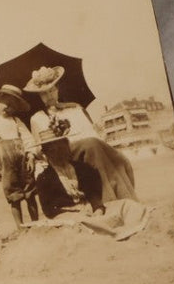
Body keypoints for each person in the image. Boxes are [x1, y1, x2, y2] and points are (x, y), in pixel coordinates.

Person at [24, 66, 137, 203]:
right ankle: (111, 199)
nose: (49, 96)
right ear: (40, 96)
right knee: (92, 145)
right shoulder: (37, 118)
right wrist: (32, 153)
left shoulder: (74, 108)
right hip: (62, 154)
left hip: (89, 147)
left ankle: (124, 198)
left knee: (114, 156)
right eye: (44, 94)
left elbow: (91, 133)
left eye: (52, 91)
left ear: (58, 90)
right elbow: (40, 148)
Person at [31, 129, 149, 240]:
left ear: (67, 146)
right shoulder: (44, 178)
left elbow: (94, 195)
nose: (58, 153)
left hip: (89, 210)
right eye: (52, 150)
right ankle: (111, 232)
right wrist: (74, 213)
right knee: (82, 223)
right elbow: (49, 210)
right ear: (45, 153)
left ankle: (123, 228)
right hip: (67, 215)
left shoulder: (83, 168)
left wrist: (97, 209)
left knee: (128, 205)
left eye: (61, 147)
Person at [0, 84, 40, 228]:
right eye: (5, 102)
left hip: (23, 162)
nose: (8, 107)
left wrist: (31, 155)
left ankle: (37, 224)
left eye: (12, 105)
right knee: (14, 196)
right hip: (5, 164)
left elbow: (29, 139)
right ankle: (21, 227)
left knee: (30, 193)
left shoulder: (16, 121)